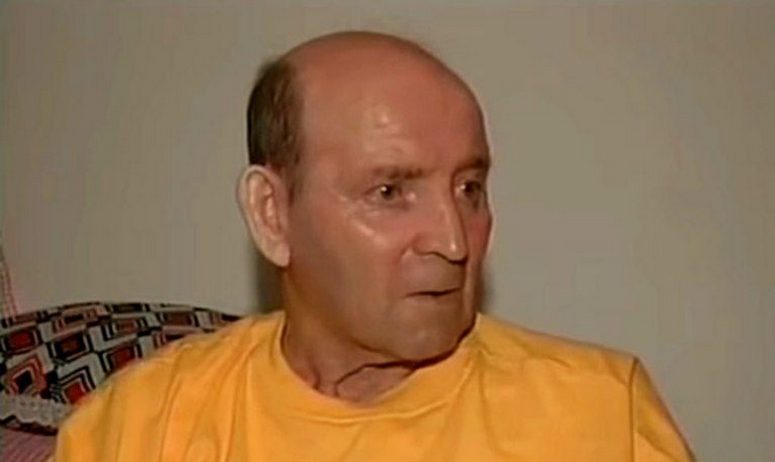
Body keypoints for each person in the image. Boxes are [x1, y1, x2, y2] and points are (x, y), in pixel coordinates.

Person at [52, 31, 694, 461]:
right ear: (272, 214)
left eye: (469, 188)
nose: (453, 240)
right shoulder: (136, 428)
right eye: (390, 192)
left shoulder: (602, 415)